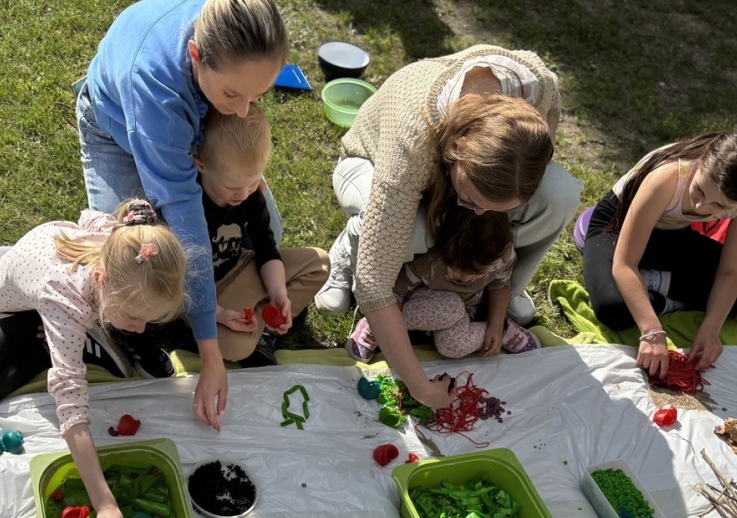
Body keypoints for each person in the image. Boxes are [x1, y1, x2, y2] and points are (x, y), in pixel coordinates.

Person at [314, 45, 583, 411]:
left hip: (444, 176)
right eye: (472, 200)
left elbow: (529, 165)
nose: (481, 215)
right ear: (455, 152)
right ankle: (352, 245)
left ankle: (496, 287)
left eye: (496, 207)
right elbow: (375, 285)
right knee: (416, 231)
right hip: (369, 164)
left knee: (560, 194)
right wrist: (422, 388)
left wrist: (485, 207)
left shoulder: (539, 88)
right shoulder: (412, 143)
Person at [78, 0, 288, 430]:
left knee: (271, 226)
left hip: (183, 127)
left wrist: (241, 169)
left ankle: (194, 304)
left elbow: (236, 123)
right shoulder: (157, 92)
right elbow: (186, 217)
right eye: (232, 94)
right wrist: (210, 351)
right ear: (195, 55)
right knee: (133, 256)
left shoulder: (235, 30)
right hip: (114, 130)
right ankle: (139, 330)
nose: (244, 110)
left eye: (257, 95)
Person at [0, 201, 186, 518]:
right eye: (134, 317)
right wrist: (104, 503)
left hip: (72, 298)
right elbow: (71, 406)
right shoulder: (65, 299)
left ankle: (87, 338)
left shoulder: (127, 243)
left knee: (116, 329)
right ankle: (55, 346)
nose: (141, 325)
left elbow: (90, 215)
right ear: (102, 283)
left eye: (147, 320)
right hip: (22, 307)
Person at [582, 127, 737, 378]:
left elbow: (730, 271)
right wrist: (651, 330)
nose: (702, 207)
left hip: (672, 235)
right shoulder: (668, 176)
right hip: (615, 226)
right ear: (701, 164)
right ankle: (655, 287)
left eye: (720, 206)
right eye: (700, 190)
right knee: (612, 307)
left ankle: (655, 284)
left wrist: (711, 329)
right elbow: (624, 263)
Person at [192, 103, 329, 367]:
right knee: (235, 347)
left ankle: (264, 321)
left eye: (253, 183)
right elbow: (183, 282)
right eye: (232, 187)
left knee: (319, 263)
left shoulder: (249, 195)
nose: (242, 195)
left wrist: (278, 293)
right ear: (201, 164)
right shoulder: (189, 204)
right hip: (204, 294)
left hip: (240, 266)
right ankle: (256, 327)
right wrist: (219, 315)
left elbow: (265, 247)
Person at [345, 209, 540, 361]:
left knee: (453, 348)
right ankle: (376, 326)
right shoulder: (431, 262)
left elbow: (500, 285)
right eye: (458, 271)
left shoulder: (501, 257)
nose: (464, 280)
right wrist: (385, 319)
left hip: (463, 312)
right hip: (422, 305)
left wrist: (496, 325)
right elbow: (397, 290)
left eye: (476, 274)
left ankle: (503, 331)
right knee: (449, 308)